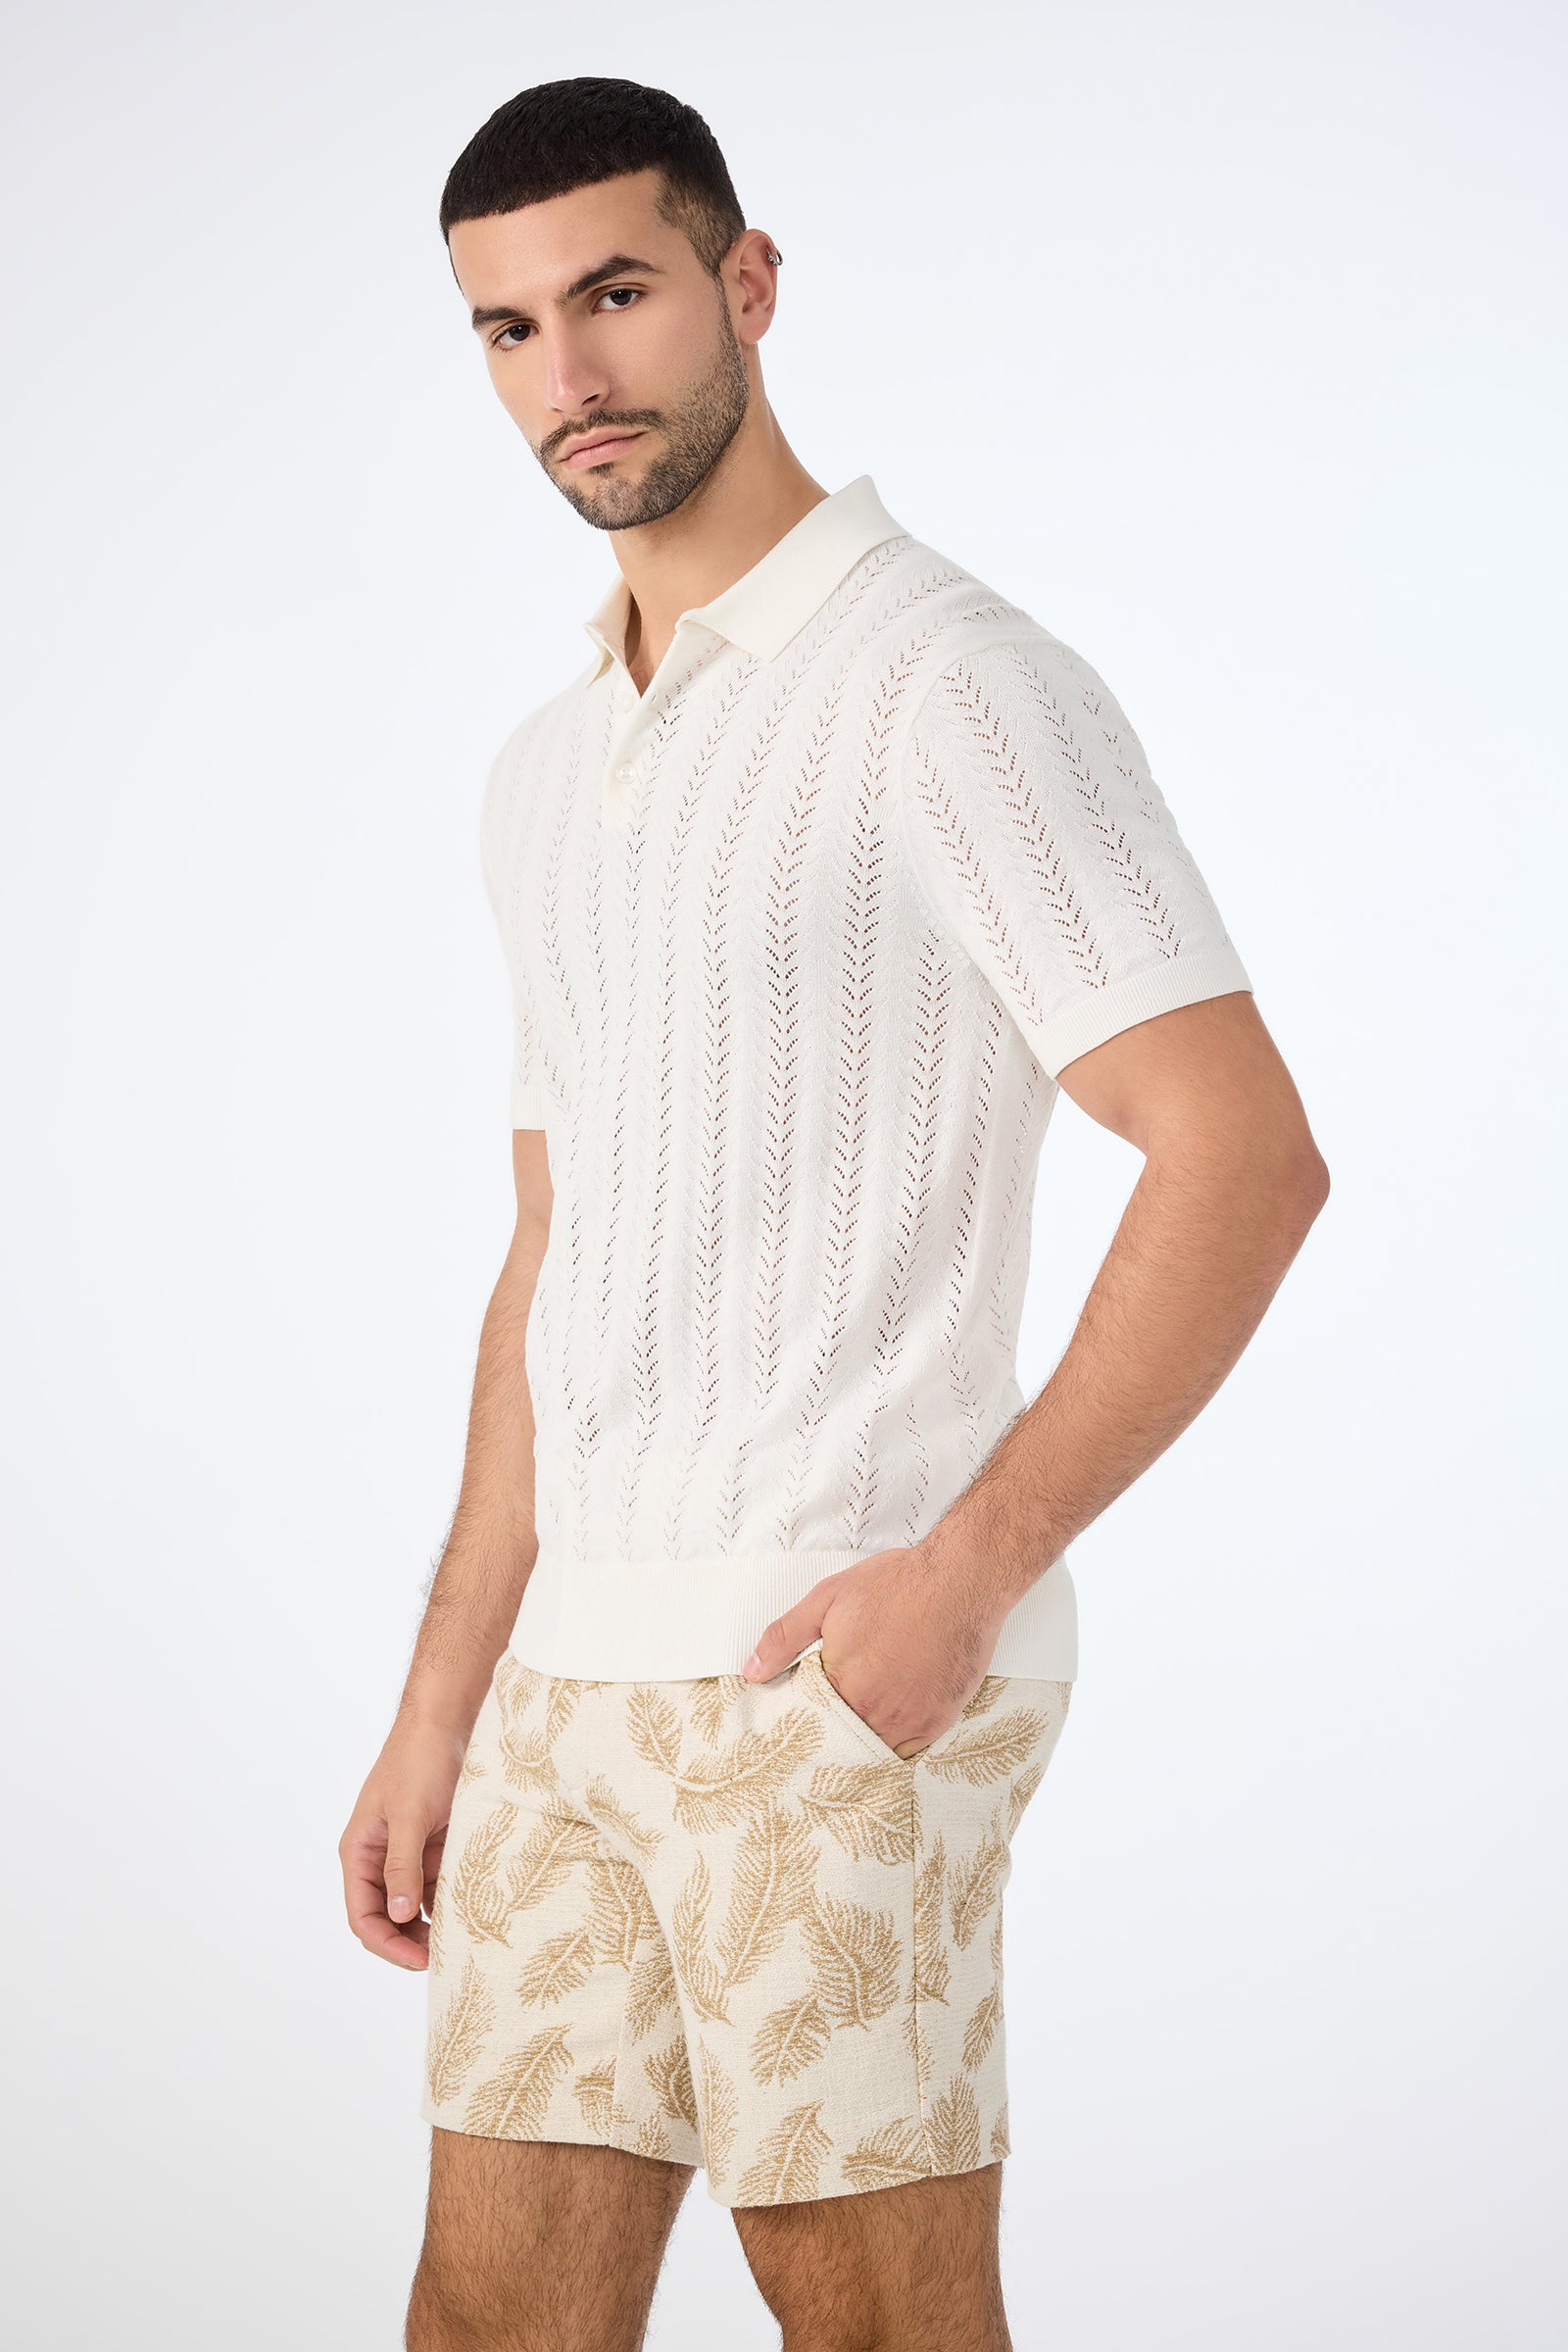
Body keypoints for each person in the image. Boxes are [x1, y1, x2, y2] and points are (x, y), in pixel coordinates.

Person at [338, 74, 1330, 2352]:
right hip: (566, 1691)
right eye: (504, 331)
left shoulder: (944, 684)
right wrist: (437, 1707)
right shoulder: (546, 765)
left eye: (612, 296)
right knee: (484, 2319)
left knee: (871, 2326)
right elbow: (546, 1267)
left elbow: (1241, 1154)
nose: (566, 379)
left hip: (830, 1675)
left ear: (743, 287)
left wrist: (959, 1581)